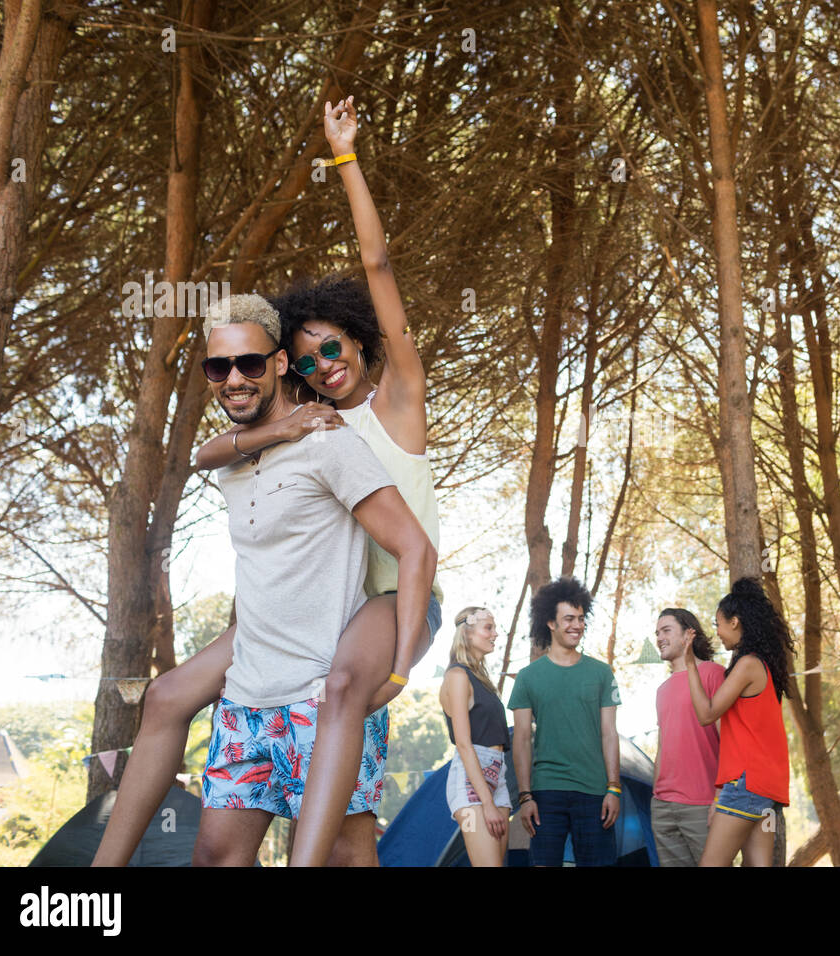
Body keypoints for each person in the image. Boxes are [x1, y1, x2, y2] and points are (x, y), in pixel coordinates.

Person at [92, 96, 442, 868]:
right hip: (312, 606)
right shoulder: (297, 427)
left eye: (334, 348)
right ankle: (100, 879)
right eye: (309, 357)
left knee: (349, 686)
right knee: (169, 695)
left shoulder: (392, 407)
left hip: (389, 602)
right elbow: (211, 453)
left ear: (360, 340)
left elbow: (378, 265)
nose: (326, 365)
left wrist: (345, 159)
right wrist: (279, 425)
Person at [189, 294, 433, 865]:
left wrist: (398, 669)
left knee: (345, 857)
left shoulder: (332, 441)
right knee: (213, 857)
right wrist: (274, 431)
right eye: (217, 367)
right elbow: (205, 453)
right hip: (246, 700)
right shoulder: (233, 456)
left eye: (249, 363)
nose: (232, 378)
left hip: (323, 696)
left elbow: (413, 546)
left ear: (275, 364)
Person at [510, 576, 621, 867]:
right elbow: (521, 738)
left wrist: (613, 788)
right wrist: (525, 797)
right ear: (550, 622)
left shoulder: (601, 673)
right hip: (546, 792)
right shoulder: (528, 677)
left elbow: (610, 734)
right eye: (569, 618)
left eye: (581, 619)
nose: (577, 625)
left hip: (595, 792)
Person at [684, 577, 793, 867]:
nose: (717, 632)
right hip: (764, 787)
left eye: (718, 623)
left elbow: (707, 714)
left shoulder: (747, 666)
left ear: (735, 622)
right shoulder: (762, 665)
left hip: (746, 783)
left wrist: (690, 665)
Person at [651, 608, 725, 867]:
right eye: (657, 633)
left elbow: (728, 739)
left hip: (703, 804)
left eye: (666, 630)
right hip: (662, 806)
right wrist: (655, 795)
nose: (659, 637)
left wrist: (720, 797)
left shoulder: (714, 674)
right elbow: (663, 747)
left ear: (688, 634)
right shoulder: (662, 690)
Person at [438, 607, 511, 867]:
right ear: (467, 634)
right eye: (488, 628)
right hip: (470, 780)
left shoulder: (483, 680)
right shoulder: (457, 676)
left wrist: (493, 798)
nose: (495, 634)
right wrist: (487, 803)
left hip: (497, 776)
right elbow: (464, 744)